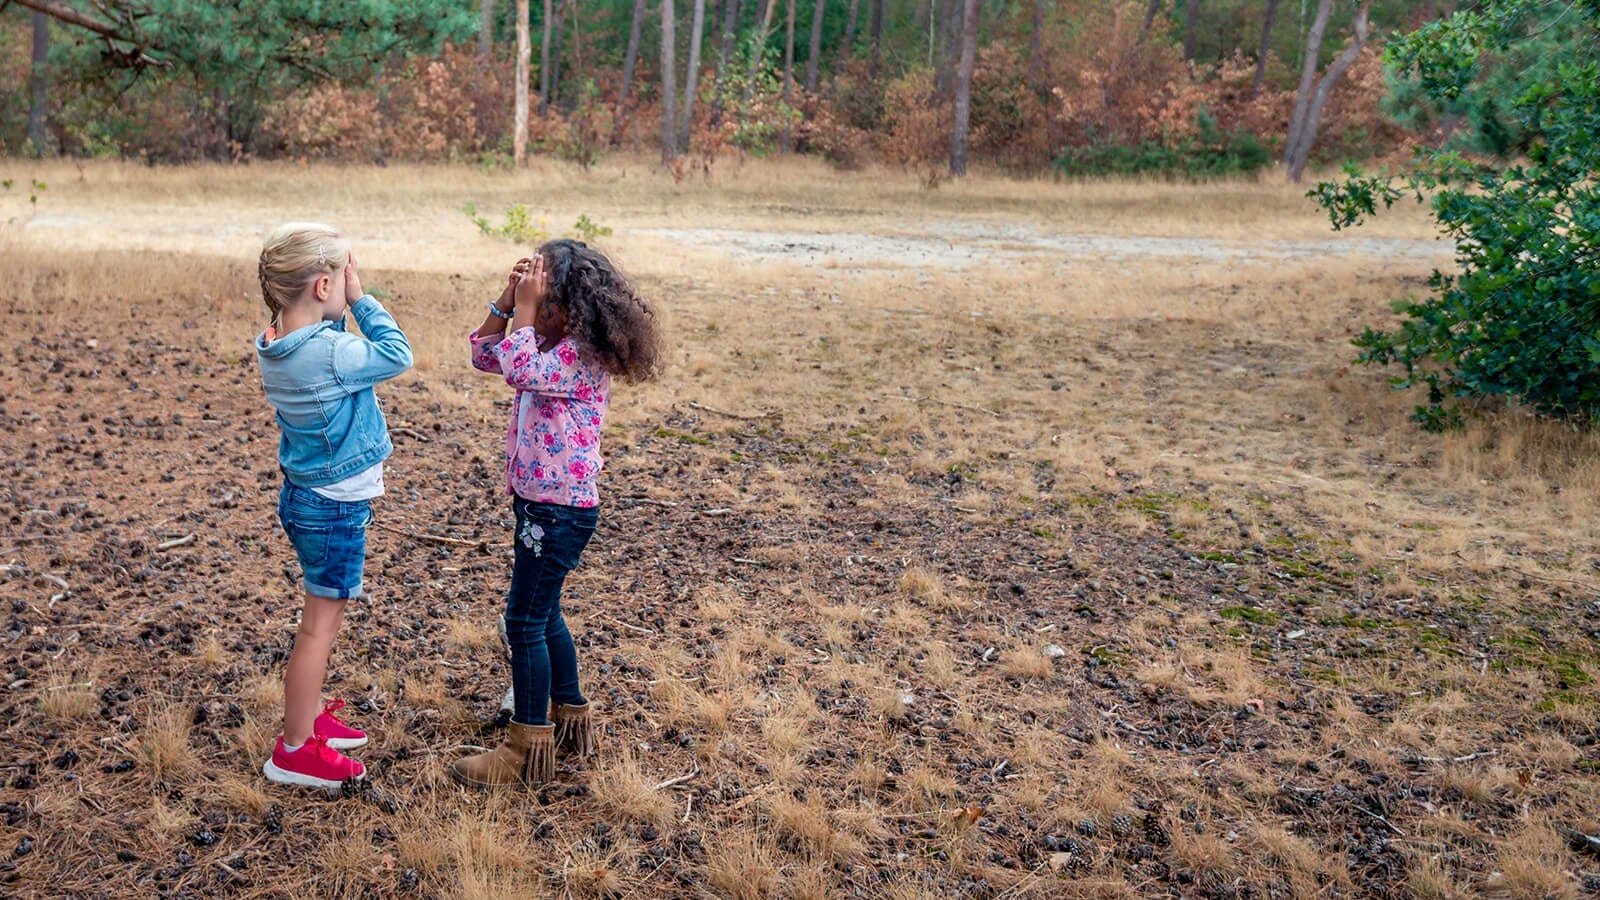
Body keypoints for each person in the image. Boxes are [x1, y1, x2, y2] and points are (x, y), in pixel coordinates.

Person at [453, 239, 663, 788]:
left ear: (575, 308)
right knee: (544, 615)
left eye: (544, 302)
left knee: (523, 621)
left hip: (558, 511)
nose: (534, 310)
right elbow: (484, 354)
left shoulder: (579, 355)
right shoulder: (548, 343)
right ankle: (570, 721)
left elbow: (518, 369)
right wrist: (508, 298)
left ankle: (525, 748)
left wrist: (523, 314)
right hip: (544, 504)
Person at [254, 223, 413, 789]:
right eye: (342, 276)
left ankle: (308, 713)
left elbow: (329, 345)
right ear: (324, 287)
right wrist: (364, 299)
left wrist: (338, 298)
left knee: (317, 625)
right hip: (335, 507)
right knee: (318, 630)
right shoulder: (334, 352)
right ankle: (295, 747)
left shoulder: (277, 341)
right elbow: (397, 354)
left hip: (306, 497)